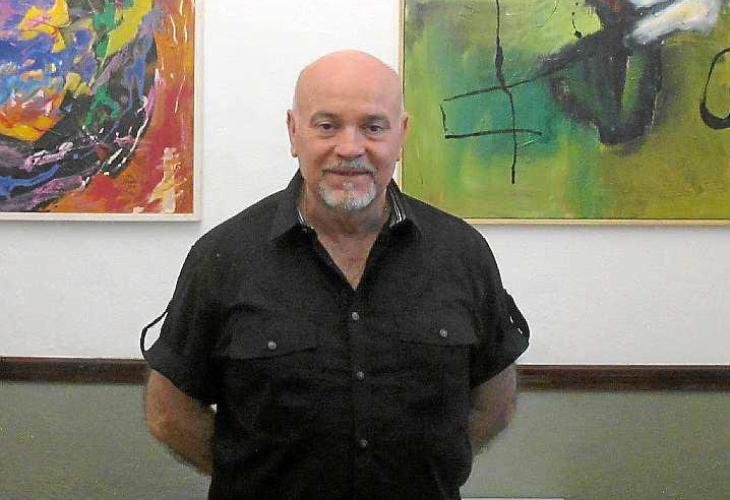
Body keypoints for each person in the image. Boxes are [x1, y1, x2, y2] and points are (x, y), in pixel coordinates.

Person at [141, 50, 529, 500]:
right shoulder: (224, 257)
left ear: (401, 134)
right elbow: (169, 414)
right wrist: (255, 478)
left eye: (373, 127)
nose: (350, 148)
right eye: (327, 126)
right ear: (294, 132)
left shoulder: (461, 253)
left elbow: (493, 404)